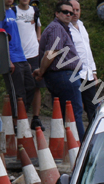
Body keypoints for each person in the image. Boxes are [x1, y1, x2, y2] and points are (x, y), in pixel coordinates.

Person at [33, 0, 85, 141]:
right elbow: (51, 53)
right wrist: (41, 71)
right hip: (65, 76)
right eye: (65, 12)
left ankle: (71, 146)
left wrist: (41, 70)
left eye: (71, 13)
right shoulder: (57, 28)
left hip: (62, 76)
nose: (69, 15)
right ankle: (80, 147)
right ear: (57, 13)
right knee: (74, 114)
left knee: (66, 115)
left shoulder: (61, 28)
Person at [0, 0, 37, 126]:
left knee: (31, 87)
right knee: (17, 92)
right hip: (11, 57)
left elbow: (16, 36)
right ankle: (16, 123)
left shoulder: (12, 12)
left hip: (21, 57)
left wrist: (24, 59)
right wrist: (7, 60)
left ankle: (21, 117)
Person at [13, 0, 46, 131]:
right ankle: (19, 118)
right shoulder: (13, 11)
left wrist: (38, 38)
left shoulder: (34, 11)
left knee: (37, 86)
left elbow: (38, 26)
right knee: (20, 88)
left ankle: (36, 117)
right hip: (19, 54)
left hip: (34, 53)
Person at [69, 0, 99, 124]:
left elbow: (87, 50)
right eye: (73, 10)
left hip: (87, 73)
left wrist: (93, 71)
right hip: (75, 73)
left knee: (93, 107)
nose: (75, 13)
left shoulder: (81, 25)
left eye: (77, 10)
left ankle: (94, 131)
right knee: (77, 107)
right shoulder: (66, 29)